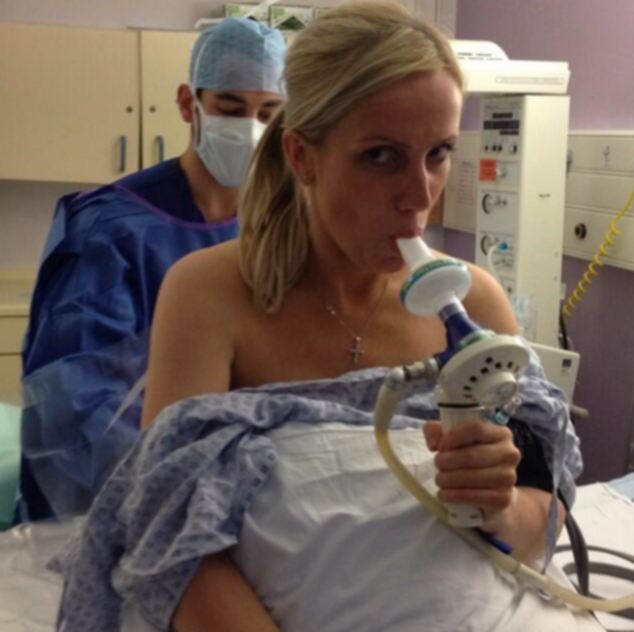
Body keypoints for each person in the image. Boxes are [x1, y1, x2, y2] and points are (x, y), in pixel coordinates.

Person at [54, 3, 597, 631]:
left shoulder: (474, 304)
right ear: (302, 156)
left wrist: (497, 506)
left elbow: (539, 526)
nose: (420, 195)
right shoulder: (209, 296)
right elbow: (172, 543)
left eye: (439, 153)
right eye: (381, 156)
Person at [18, 17, 287, 521]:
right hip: (115, 500)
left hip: (238, 495)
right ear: (188, 104)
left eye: (269, 113)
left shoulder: (281, 228)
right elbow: (77, 411)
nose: (251, 127)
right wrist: (170, 496)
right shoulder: (110, 228)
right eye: (230, 108)